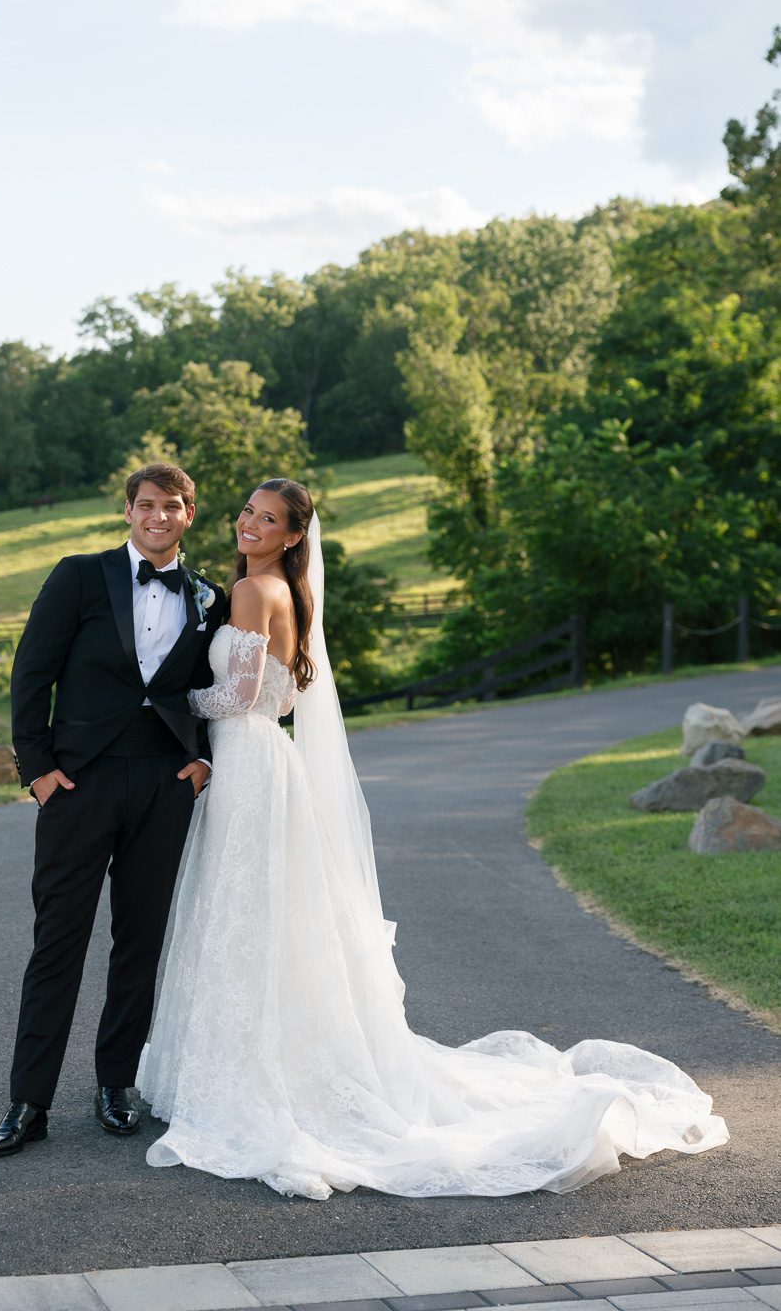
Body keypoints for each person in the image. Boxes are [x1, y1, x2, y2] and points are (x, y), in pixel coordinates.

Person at [137, 477, 729, 1199]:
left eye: (268, 520)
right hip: (261, 757)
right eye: (247, 513)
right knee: (260, 917)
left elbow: (239, 692)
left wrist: (165, 703)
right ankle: (253, 1061)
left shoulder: (253, 593)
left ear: (294, 537)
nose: (249, 525)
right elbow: (284, 692)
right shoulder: (279, 592)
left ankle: (248, 1075)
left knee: (244, 916)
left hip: (247, 758)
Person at [0, 463, 225, 1158]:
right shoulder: (77, 576)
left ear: (188, 514)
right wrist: (38, 773)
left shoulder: (207, 594)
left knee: (139, 939)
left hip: (162, 783)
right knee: (57, 942)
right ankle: (27, 1102)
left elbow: (217, 686)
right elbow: (32, 674)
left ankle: (116, 1083)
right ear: (128, 511)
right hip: (77, 785)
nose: (157, 516)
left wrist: (202, 761)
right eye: (145, 505)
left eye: (171, 506)